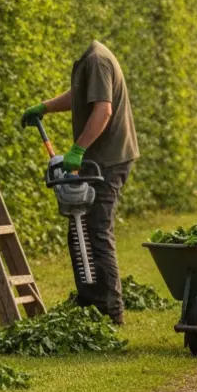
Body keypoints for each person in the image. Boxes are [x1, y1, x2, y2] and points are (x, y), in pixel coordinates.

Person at [20, 40, 139, 324]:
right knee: (79, 230)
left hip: (108, 160)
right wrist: (44, 107)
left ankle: (111, 311)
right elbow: (81, 96)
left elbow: (103, 110)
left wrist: (78, 149)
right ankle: (89, 302)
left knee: (96, 230)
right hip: (102, 158)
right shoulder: (92, 59)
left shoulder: (97, 61)